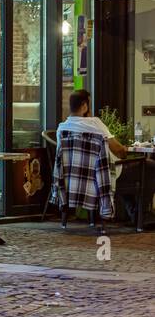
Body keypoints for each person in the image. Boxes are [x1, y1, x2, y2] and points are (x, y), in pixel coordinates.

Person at [56, 90, 133, 220]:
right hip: (101, 178)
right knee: (148, 167)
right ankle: (140, 216)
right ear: (85, 106)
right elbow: (119, 150)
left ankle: (133, 213)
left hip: (73, 180)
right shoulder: (95, 124)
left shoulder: (62, 128)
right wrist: (125, 151)